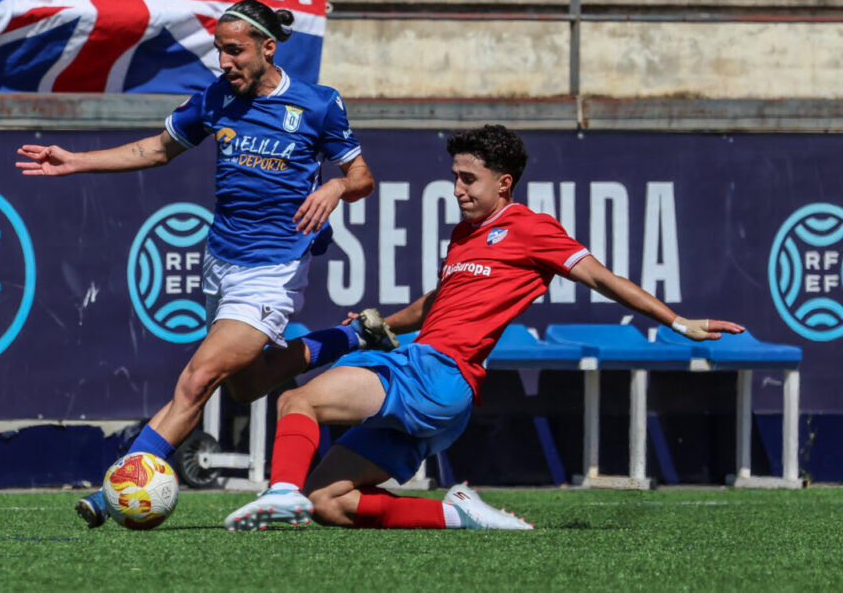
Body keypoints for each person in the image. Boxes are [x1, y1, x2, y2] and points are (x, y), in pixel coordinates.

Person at [224, 124, 745, 532]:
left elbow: (602, 278)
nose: (457, 189)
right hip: (441, 393)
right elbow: (438, 303)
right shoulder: (465, 235)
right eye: (454, 176)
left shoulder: (532, 228)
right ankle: (456, 515)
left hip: (436, 373)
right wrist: (380, 321)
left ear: (504, 183)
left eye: (468, 179)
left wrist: (678, 321)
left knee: (299, 401)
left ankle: (278, 494)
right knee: (329, 502)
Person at [15, 0, 379, 528]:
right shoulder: (216, 98)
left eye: (235, 51)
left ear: (267, 47)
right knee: (246, 385)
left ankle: (118, 486)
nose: (225, 61)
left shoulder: (318, 105)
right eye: (219, 50)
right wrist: (77, 161)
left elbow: (363, 177)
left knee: (198, 378)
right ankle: (354, 337)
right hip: (221, 260)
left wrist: (337, 184)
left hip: (274, 267)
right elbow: (158, 150)